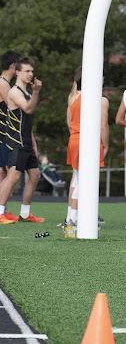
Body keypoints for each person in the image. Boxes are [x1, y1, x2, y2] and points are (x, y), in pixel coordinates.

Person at [0, 56, 45, 224]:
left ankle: (25, 213)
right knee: (13, 176)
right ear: (18, 72)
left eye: (32, 71)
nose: (30, 74)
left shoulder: (27, 93)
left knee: (34, 176)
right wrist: (36, 92)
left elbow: (28, 122)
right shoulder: (14, 92)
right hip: (16, 142)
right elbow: (28, 109)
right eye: (27, 71)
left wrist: (34, 144)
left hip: (26, 142)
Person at [65, 66, 108, 228]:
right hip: (88, 141)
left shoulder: (73, 98)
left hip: (74, 139)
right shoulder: (100, 100)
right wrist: (105, 144)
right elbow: (103, 126)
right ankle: (77, 218)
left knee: (76, 179)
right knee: (85, 180)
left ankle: (71, 216)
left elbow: (70, 123)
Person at [0, 50, 20, 223]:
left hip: (2, 134)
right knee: (7, 173)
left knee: (2, 172)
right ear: (13, 66)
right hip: (4, 134)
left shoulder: (2, 83)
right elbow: (14, 106)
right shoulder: (2, 84)